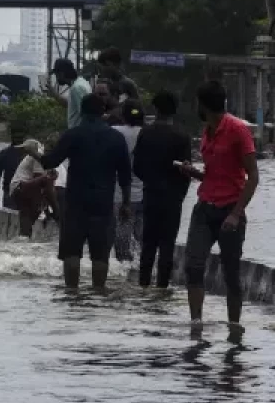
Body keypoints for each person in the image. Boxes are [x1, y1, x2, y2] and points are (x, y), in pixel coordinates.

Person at [179, 81, 258, 334]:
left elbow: (253, 177)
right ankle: (196, 324)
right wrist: (194, 172)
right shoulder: (207, 130)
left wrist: (236, 214)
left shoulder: (237, 130)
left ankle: (234, 328)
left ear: (203, 105)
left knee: (231, 272)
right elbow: (215, 174)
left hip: (229, 211)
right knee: (193, 265)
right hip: (205, 206)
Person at [35, 94, 131, 289]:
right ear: (103, 111)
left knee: (71, 252)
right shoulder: (116, 138)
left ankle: (72, 292)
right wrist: (126, 203)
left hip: (76, 201)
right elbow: (125, 175)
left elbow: (50, 162)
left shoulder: (73, 134)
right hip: (103, 202)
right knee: (100, 253)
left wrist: (32, 152)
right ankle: (98, 293)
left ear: (81, 111)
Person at [133, 90, 191, 289]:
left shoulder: (146, 133)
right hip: (173, 197)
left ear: (156, 109)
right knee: (167, 244)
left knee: (148, 243)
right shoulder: (182, 136)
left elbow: (137, 166)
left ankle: (143, 285)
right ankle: (162, 288)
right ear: (174, 111)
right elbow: (187, 171)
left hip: (151, 194)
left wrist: (150, 180)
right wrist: (180, 194)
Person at [112, 99, 145, 262]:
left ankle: (123, 277)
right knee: (143, 239)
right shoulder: (147, 132)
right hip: (146, 195)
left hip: (122, 194)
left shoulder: (115, 131)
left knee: (122, 241)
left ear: (122, 115)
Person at [10, 139, 61, 238]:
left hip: (17, 190)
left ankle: (24, 238)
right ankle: (57, 213)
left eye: (25, 149)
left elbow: (41, 186)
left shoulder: (38, 156)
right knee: (46, 180)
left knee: (27, 220)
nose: (22, 152)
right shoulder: (37, 157)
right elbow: (41, 182)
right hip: (20, 187)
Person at [48, 58, 91, 129]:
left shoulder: (77, 88)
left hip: (79, 133)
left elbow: (86, 114)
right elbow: (71, 104)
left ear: (61, 74)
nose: (56, 78)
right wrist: (53, 93)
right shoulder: (81, 82)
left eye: (56, 75)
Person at [0, 128, 27, 210]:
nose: (19, 140)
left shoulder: (30, 154)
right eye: (17, 137)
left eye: (21, 138)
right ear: (12, 138)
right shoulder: (4, 153)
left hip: (27, 193)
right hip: (9, 193)